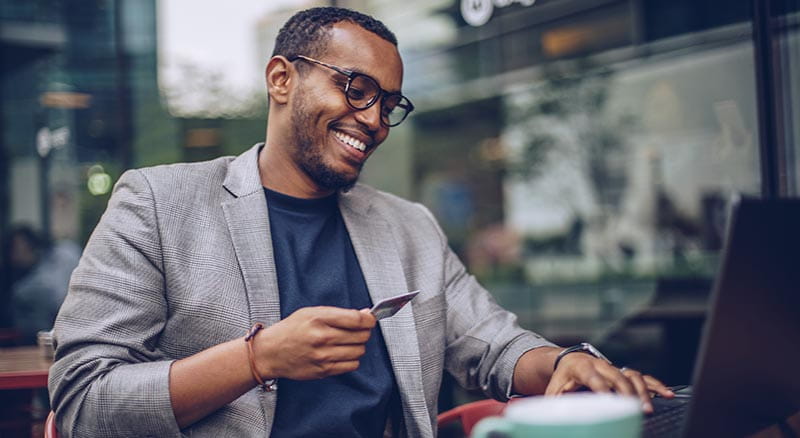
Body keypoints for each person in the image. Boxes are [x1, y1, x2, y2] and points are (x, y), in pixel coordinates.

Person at [48, 7, 673, 437]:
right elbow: (82, 403)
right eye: (355, 88)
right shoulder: (160, 203)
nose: (374, 120)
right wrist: (258, 358)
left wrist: (559, 366)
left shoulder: (408, 227)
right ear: (280, 79)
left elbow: (491, 343)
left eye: (389, 103)